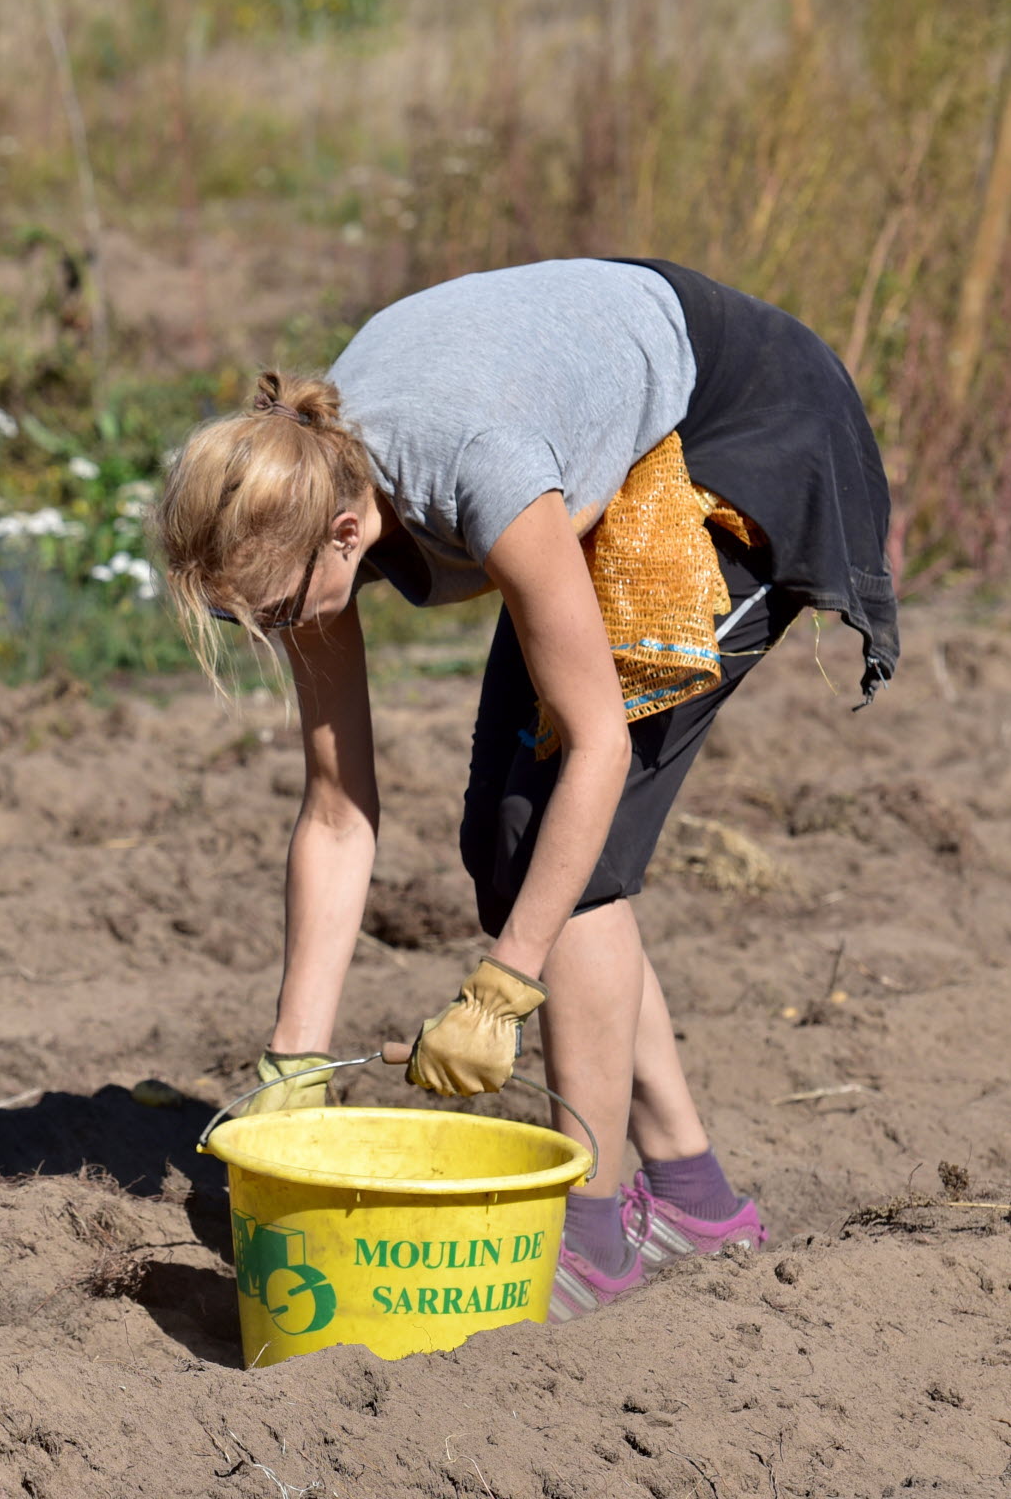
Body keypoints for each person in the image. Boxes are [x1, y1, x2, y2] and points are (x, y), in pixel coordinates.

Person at [155, 258, 898, 1315]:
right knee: (509, 840)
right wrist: (293, 1061)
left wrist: (503, 985)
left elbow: (596, 746)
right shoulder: (305, 495)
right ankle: (691, 1194)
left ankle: (592, 1234)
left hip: (749, 428)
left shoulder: (480, 470)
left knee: (566, 848)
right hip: (592, 430)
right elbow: (336, 809)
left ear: (348, 533)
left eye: (273, 613)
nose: (272, 635)